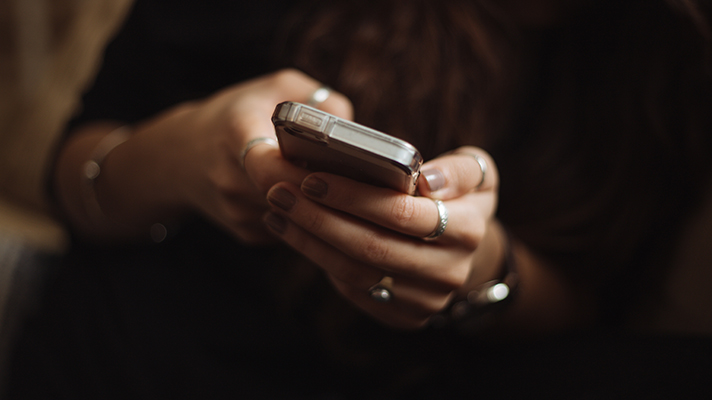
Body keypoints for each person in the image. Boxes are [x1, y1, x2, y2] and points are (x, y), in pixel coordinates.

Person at [8, 0, 712, 398]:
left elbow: (598, 311)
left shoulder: (671, 55)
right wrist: (190, 151)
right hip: (124, 363)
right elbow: (73, 181)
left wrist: (483, 268)